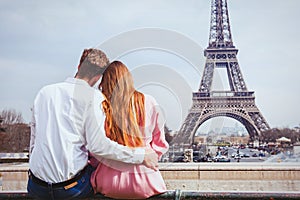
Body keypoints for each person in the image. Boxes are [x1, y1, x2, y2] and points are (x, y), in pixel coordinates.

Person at [27, 49, 159, 200]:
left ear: (79, 66)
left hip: (36, 186)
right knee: (99, 175)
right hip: (71, 188)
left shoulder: (45, 92)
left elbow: (34, 141)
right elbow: (99, 147)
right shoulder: (94, 98)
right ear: (98, 77)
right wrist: (140, 155)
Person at [90, 61, 169, 199]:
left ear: (105, 83)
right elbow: (160, 145)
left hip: (109, 183)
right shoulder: (149, 101)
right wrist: (147, 157)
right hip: (145, 181)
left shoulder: (101, 106)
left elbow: (95, 149)